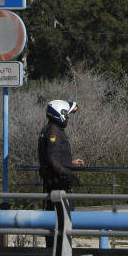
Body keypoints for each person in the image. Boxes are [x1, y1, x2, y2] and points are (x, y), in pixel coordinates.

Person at [38, 100, 84, 246]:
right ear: (60, 114)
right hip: (58, 184)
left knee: (56, 222)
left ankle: (54, 253)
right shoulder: (53, 132)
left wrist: (70, 164)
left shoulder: (48, 129)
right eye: (67, 115)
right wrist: (68, 174)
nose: (68, 118)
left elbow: (53, 157)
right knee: (62, 222)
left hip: (53, 183)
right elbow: (52, 159)